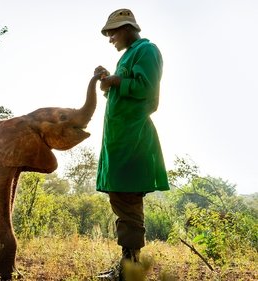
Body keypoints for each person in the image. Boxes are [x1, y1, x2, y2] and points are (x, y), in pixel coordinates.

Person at [94, 8, 170, 280]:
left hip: (133, 140)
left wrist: (116, 81)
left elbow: (147, 91)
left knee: (127, 201)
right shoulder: (127, 56)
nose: (110, 38)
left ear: (127, 28)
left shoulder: (147, 50)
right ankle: (128, 267)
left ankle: (129, 270)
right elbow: (125, 94)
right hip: (120, 140)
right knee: (121, 199)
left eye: (112, 32)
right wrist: (109, 83)